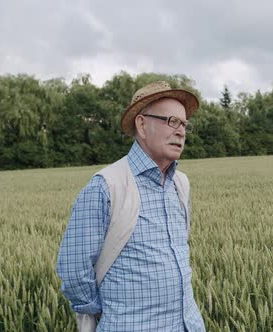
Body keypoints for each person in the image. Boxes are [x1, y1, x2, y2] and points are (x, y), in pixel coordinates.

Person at [57, 81, 206, 331]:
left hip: (188, 324)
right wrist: (114, 316)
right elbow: (74, 269)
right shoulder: (106, 186)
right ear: (142, 124)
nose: (181, 131)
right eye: (171, 121)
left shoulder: (180, 184)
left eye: (184, 124)